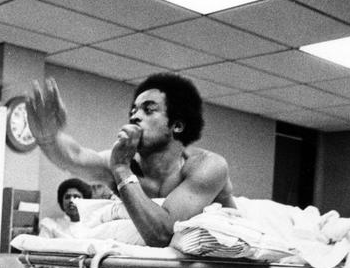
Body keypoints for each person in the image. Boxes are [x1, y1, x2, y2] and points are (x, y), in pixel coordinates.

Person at [27, 73, 235, 247]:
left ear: (177, 125)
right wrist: (48, 138)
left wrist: (122, 170)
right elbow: (75, 157)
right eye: (133, 111)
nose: (135, 116)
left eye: (148, 109)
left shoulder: (207, 165)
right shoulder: (123, 160)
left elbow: (163, 234)